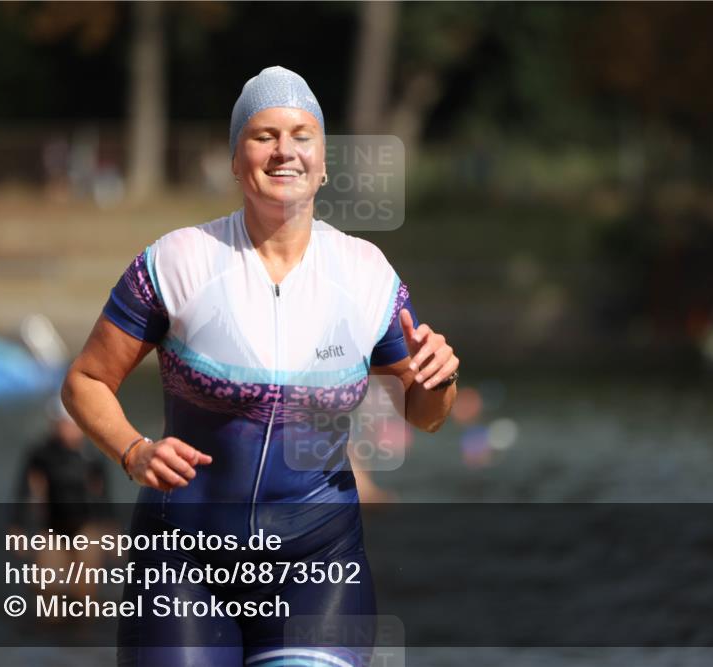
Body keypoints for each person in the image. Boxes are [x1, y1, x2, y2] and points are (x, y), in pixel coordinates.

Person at [62, 66, 459, 667]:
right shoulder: (180, 260)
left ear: (324, 161)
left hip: (319, 564)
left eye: (302, 135)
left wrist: (440, 379)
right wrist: (132, 450)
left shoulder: (365, 274)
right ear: (234, 159)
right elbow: (86, 381)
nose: (285, 151)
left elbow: (427, 415)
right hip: (183, 567)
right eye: (263, 135)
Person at [10, 398, 116, 599]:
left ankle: (83, 628)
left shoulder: (93, 455)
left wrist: (112, 531)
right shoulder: (41, 454)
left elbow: (103, 495)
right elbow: (24, 490)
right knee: (47, 595)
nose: (70, 431)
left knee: (86, 598)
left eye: (75, 425)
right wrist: (17, 527)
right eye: (66, 425)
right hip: (52, 531)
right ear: (56, 425)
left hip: (85, 528)